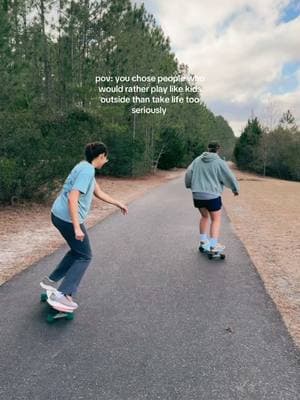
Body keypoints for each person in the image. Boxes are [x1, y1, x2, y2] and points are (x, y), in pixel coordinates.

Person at [40, 142, 128, 310]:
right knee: (85, 255)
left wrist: (119, 203)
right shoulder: (88, 171)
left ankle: (50, 281)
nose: (106, 161)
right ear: (101, 156)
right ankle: (63, 295)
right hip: (67, 219)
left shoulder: (84, 166)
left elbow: (98, 192)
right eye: (106, 157)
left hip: (57, 214)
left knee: (76, 251)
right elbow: (73, 198)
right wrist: (76, 227)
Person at [185, 141, 239, 253]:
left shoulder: (197, 160)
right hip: (212, 195)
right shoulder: (219, 162)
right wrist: (235, 189)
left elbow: (188, 172)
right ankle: (213, 245)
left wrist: (189, 185)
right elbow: (229, 176)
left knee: (204, 217)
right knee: (216, 219)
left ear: (207, 148)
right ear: (218, 149)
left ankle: (203, 241)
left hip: (197, 194)